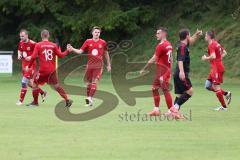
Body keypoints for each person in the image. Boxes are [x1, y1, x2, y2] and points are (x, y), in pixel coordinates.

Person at [140, 27, 181, 118]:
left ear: (163, 34)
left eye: (158, 33)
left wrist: (144, 68)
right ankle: (156, 110)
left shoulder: (161, 45)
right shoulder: (169, 44)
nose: (156, 35)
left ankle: (172, 111)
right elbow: (171, 59)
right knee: (154, 88)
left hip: (163, 71)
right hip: (162, 70)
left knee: (165, 90)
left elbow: (154, 58)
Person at [25, 29, 73, 107]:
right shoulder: (53, 45)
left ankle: (35, 102)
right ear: (48, 35)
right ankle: (67, 100)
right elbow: (61, 55)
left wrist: (29, 66)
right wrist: (67, 51)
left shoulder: (38, 45)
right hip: (52, 71)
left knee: (33, 84)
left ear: (41, 36)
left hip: (42, 70)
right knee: (57, 86)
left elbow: (33, 57)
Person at [68, 26, 111, 107]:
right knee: (88, 84)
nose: (97, 34)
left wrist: (108, 64)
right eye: (95, 32)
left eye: (98, 32)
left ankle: (90, 97)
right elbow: (80, 51)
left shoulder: (103, 42)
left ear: (100, 33)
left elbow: (106, 53)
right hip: (90, 66)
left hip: (99, 66)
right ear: (92, 33)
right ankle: (89, 101)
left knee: (94, 82)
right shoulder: (88, 41)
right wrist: (73, 49)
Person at [201, 30, 231, 111]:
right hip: (215, 67)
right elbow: (224, 52)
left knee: (216, 87)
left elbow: (213, 56)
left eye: (205, 35)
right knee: (207, 85)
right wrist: (218, 59)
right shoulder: (216, 43)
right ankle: (226, 94)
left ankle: (224, 107)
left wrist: (206, 58)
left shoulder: (211, 45)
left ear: (209, 36)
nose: (205, 37)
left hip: (217, 68)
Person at [173, 28, 202, 110]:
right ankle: (174, 109)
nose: (190, 36)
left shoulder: (183, 45)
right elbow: (180, 60)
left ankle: (173, 112)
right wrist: (182, 72)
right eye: (190, 34)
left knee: (179, 95)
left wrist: (196, 35)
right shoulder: (182, 47)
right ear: (187, 36)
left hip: (177, 73)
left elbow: (191, 41)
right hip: (181, 73)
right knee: (190, 92)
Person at [16, 29, 46, 106]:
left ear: (26, 35)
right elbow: (19, 50)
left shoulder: (33, 44)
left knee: (23, 82)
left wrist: (31, 56)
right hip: (24, 65)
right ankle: (42, 92)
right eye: (20, 36)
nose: (21, 38)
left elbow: (39, 53)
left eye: (22, 36)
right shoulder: (21, 42)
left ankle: (20, 101)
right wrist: (19, 55)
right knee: (30, 84)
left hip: (31, 65)